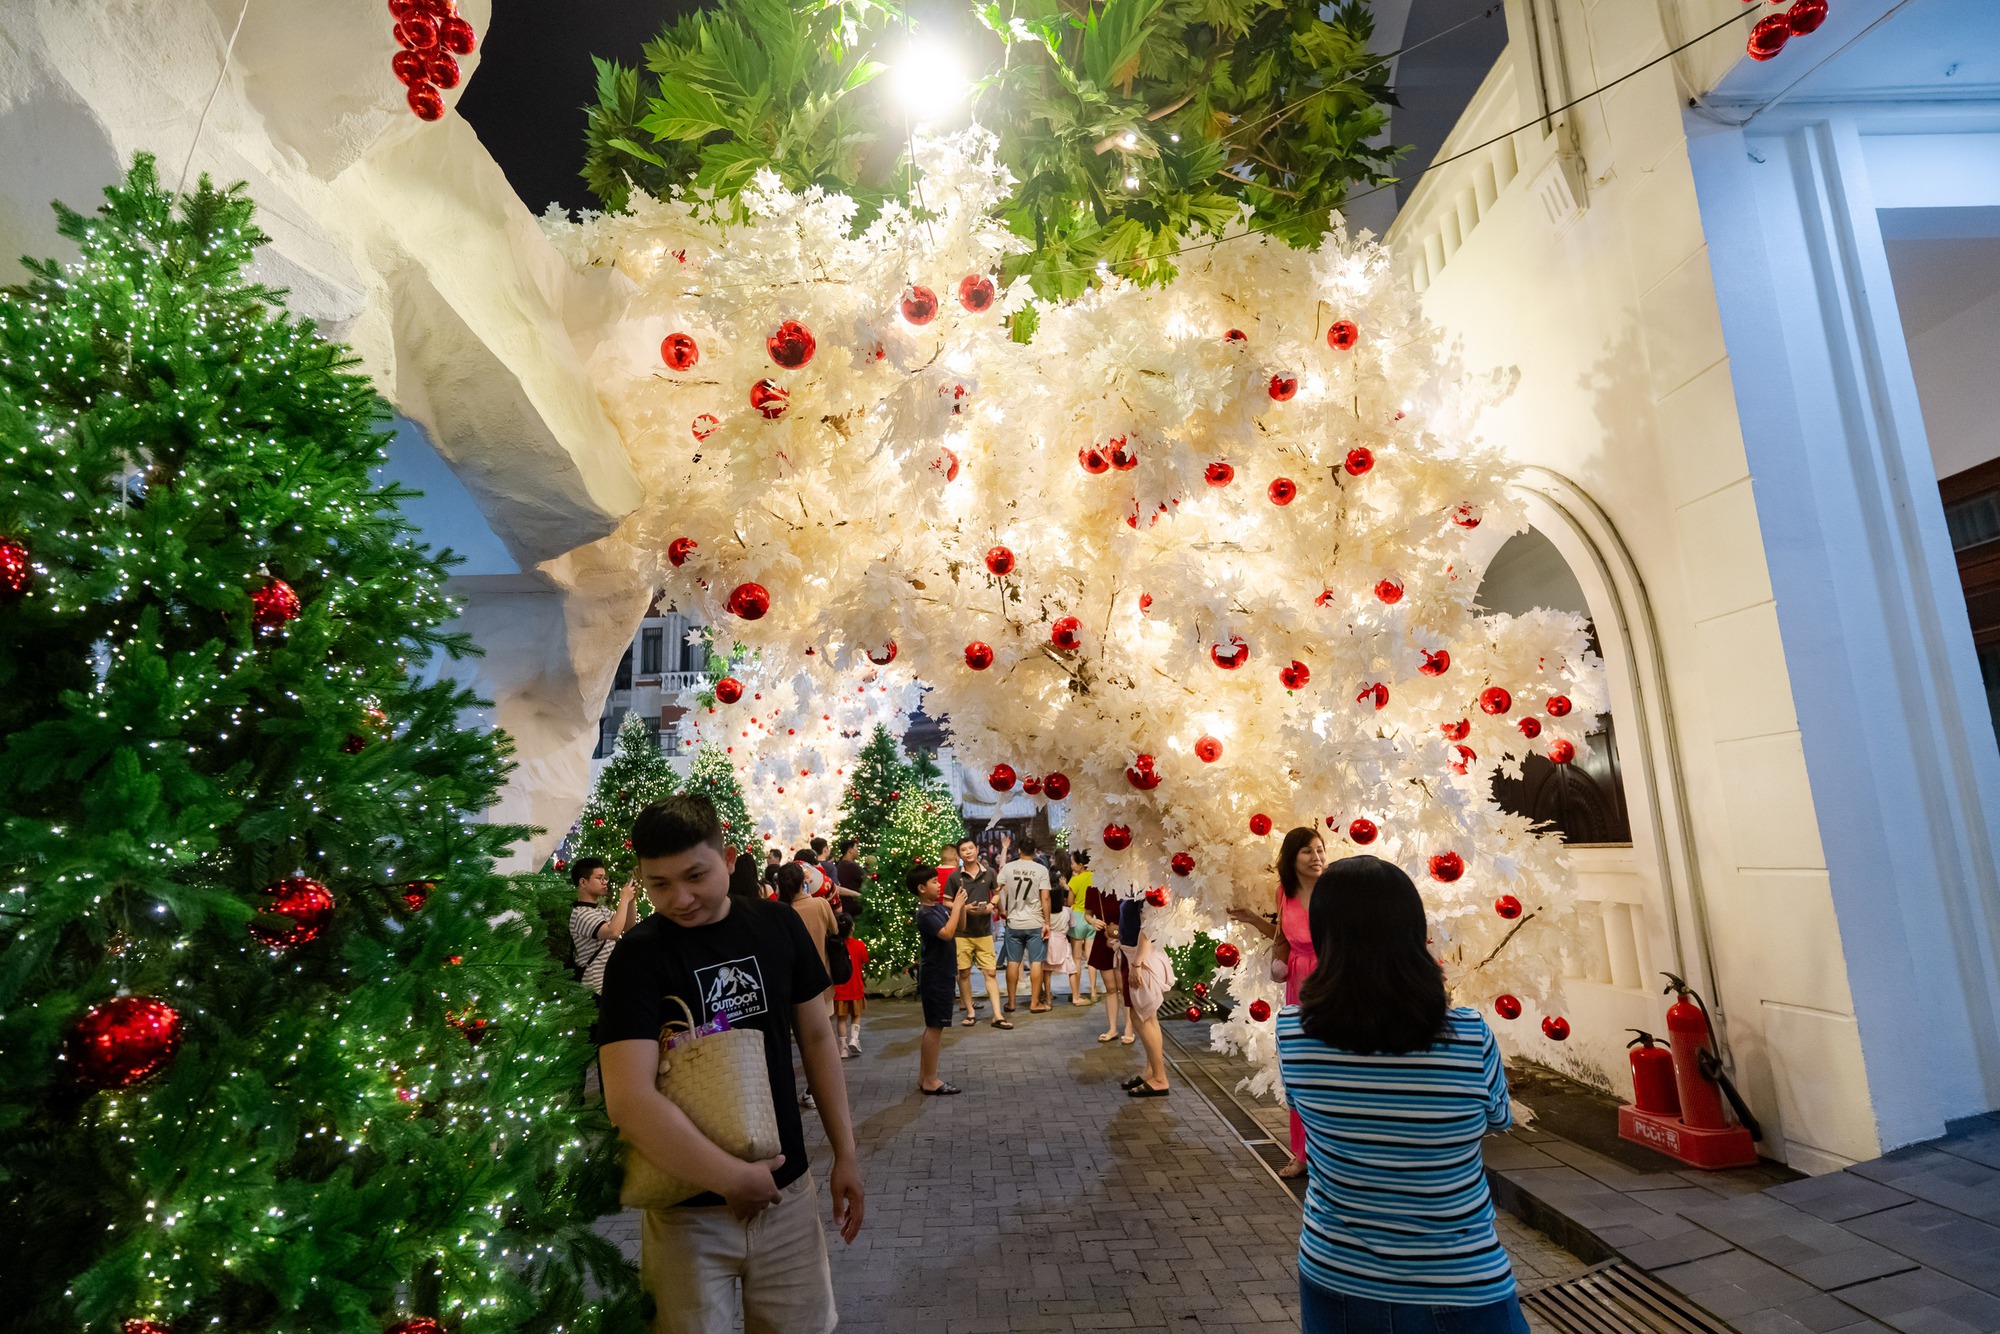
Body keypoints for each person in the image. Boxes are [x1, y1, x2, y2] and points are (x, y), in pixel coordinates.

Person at [597, 793, 864, 1334]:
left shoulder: (777, 925)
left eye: (695, 875)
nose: (681, 898)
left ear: (729, 857)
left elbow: (816, 1038)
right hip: (684, 1209)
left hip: (786, 1194)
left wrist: (846, 1154)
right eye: (659, 884)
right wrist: (729, 1178)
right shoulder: (638, 955)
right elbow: (628, 1098)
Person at [1279, 856, 1525, 1334]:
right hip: (1461, 1281)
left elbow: (1301, 1108)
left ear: (1326, 934)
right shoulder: (1470, 1035)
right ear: (1414, 931)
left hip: (1337, 1277)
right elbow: (1497, 1117)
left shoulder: (1293, 1033)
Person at [1229, 825, 1326, 1179]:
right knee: (1300, 1070)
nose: (1317, 858)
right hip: (1298, 983)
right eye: (1308, 852)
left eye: (1320, 850)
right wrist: (1276, 961)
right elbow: (1283, 938)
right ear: (1292, 858)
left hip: (1333, 981)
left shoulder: (1338, 889)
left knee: (1331, 1068)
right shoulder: (1283, 893)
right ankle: (1301, 1153)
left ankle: (1332, 1154)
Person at [777, 861, 840, 1110]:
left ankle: (808, 1089)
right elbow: (834, 930)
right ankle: (818, 1090)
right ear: (804, 880)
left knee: (803, 1040)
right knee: (822, 1037)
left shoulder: (781, 911)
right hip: (822, 980)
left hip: (793, 984)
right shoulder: (820, 905)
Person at [912, 864, 968, 1095]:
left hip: (942, 973)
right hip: (936, 975)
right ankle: (931, 1080)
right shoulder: (925, 913)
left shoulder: (936, 908)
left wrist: (959, 906)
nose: (939, 885)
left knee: (934, 1027)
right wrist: (956, 907)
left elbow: (959, 926)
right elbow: (945, 934)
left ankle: (925, 1076)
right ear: (921, 888)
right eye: (934, 882)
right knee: (935, 1027)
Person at [946, 837, 1003, 1028]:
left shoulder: (990, 873)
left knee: (991, 972)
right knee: (964, 974)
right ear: (959, 854)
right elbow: (946, 901)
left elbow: (996, 893)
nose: (968, 852)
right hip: (962, 933)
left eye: (971, 848)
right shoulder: (955, 877)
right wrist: (962, 908)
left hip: (984, 931)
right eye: (964, 850)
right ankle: (970, 1012)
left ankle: (997, 1014)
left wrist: (992, 905)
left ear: (977, 849)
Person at [1118, 897, 1172, 1097]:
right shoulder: (1137, 884)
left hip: (1140, 958)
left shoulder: (1146, 887)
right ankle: (1152, 1071)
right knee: (1146, 1016)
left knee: (1142, 1017)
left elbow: (1149, 926)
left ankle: (1159, 1077)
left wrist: (1137, 964)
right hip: (1134, 955)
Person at [997, 834, 1052, 1013]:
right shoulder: (1041, 870)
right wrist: (1047, 922)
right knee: (1036, 962)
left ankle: (1011, 1003)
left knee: (1013, 962)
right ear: (1035, 851)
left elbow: (996, 889)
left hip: (1014, 922)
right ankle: (1034, 1002)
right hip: (1035, 922)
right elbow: (1045, 897)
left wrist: (1001, 909)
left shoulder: (1008, 868)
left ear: (1019, 850)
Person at [569, 856, 638, 996]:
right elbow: (613, 933)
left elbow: (629, 928)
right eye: (600, 878)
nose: (605, 882)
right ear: (583, 882)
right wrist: (624, 898)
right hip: (594, 991)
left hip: (610, 985)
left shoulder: (600, 910)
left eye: (605, 878)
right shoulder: (581, 914)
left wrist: (631, 901)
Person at [1085, 869, 1129, 1043]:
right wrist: (1093, 921)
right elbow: (1087, 913)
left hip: (1123, 940)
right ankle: (1112, 1028)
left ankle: (1129, 1028)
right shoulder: (1093, 888)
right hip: (1102, 940)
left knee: (1123, 988)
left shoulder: (1126, 886)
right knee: (1110, 988)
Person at [832, 913, 868, 1057]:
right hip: (855, 987)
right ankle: (854, 1038)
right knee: (856, 1015)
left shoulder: (834, 945)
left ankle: (843, 1048)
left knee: (841, 1019)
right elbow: (863, 961)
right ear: (852, 927)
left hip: (839, 990)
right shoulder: (859, 945)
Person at [1064, 850, 1097, 1004]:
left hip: (1077, 918)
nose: (1071, 866)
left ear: (1081, 865)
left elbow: (1070, 902)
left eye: (1073, 863)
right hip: (1092, 919)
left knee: (1077, 958)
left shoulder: (1074, 881)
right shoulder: (1095, 877)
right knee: (1091, 958)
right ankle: (1093, 991)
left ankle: (1076, 992)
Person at [1043, 881, 1074, 1006]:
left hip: (1048, 943)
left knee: (1046, 971)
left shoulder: (1045, 913)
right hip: (1063, 943)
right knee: (1071, 969)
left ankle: (1047, 999)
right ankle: (1076, 995)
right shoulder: (1067, 911)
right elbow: (1072, 925)